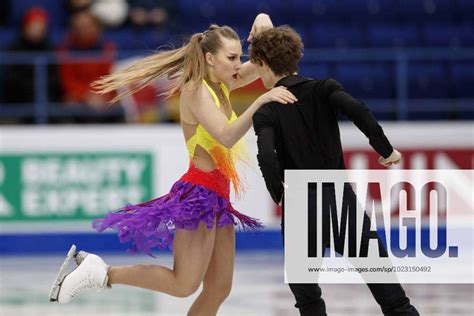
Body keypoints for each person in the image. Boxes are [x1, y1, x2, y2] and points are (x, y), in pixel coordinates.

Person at [49, 14, 297, 315]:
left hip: (218, 197)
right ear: (209, 58)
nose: (237, 64)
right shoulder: (196, 90)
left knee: (219, 287)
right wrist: (261, 101)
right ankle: (101, 271)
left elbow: (261, 66)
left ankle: (100, 271)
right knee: (184, 284)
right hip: (199, 195)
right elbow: (226, 135)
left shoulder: (221, 86)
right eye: (232, 58)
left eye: (239, 57)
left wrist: (263, 21)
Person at [249, 26, 419, 315]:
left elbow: (266, 155)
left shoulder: (266, 110)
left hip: (300, 206)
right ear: (296, 57)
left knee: (309, 302)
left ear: (264, 64)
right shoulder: (323, 88)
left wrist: (278, 193)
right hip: (341, 203)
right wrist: (385, 150)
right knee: (394, 300)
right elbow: (358, 110)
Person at [3, 7, 62, 107]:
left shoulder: (50, 49)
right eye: (33, 27)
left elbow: (55, 77)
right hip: (18, 100)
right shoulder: (13, 49)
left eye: (41, 28)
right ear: (25, 27)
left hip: (46, 100)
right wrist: (31, 88)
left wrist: (41, 88)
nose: (37, 31)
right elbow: (10, 78)